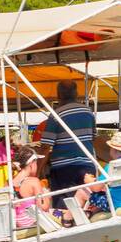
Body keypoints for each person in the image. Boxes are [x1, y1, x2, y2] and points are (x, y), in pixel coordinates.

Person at [38, 80, 97, 210]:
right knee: (86, 203)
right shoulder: (88, 112)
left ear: (59, 95)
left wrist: (38, 171)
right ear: (76, 94)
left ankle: (65, 223)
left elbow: (45, 147)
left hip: (64, 169)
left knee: (63, 206)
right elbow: (92, 138)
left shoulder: (56, 115)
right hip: (87, 165)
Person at [80, 131, 121, 212]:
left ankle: (67, 218)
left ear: (113, 150)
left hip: (116, 205)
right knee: (104, 194)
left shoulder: (112, 166)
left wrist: (89, 181)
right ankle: (89, 213)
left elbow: (96, 188)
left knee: (82, 191)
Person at [11, 145, 50, 229]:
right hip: (34, 224)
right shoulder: (34, 181)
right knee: (66, 214)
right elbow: (44, 207)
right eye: (36, 162)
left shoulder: (9, 183)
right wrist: (46, 194)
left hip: (17, 225)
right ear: (31, 164)